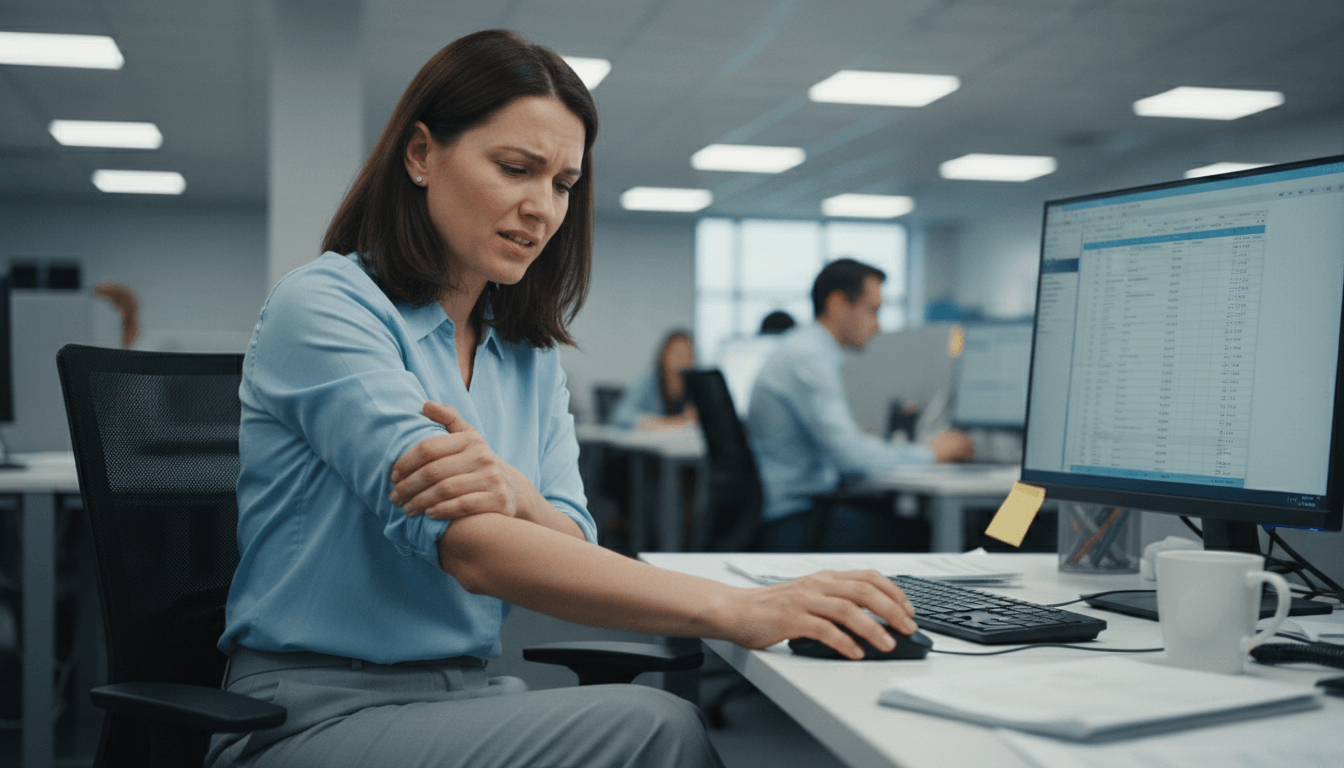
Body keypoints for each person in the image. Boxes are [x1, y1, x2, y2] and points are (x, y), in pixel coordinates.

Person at [211, 31, 920, 768]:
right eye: (516, 168)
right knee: (654, 727)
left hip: (466, 694)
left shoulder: (528, 354)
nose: (541, 209)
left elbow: (569, 544)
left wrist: (516, 493)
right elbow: (475, 549)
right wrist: (736, 612)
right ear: (421, 155)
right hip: (309, 714)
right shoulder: (325, 305)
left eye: (562, 184)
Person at [746, 258, 975, 552]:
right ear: (839, 304)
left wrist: (858, 442)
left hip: (798, 512)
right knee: (929, 536)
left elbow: (843, 447)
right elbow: (851, 457)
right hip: (797, 520)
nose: (878, 326)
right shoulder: (809, 357)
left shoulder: (806, 349)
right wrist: (933, 452)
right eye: (872, 310)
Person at [610, 329, 697, 430]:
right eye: (677, 353)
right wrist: (673, 422)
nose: (682, 359)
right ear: (663, 355)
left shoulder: (696, 386)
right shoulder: (647, 382)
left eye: (688, 354)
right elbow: (621, 416)